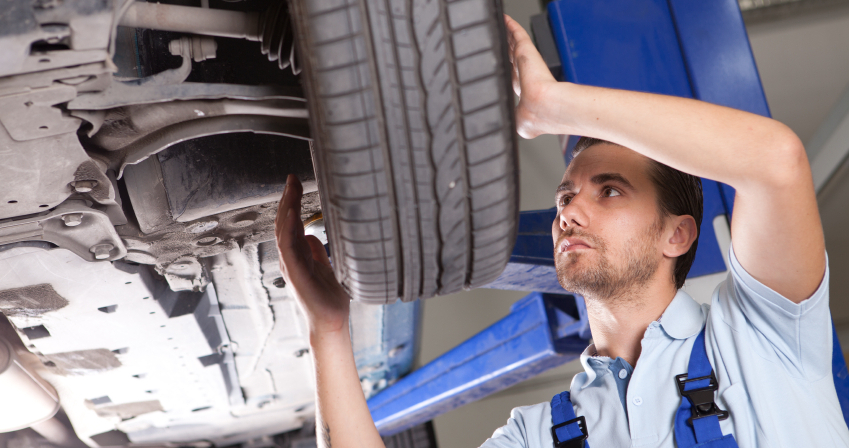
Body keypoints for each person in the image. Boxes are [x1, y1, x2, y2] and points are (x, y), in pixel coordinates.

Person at [273, 14, 849, 448]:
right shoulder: (540, 433)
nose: (569, 211)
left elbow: (776, 161)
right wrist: (326, 331)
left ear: (678, 234)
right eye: (565, 197)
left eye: (610, 191)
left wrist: (556, 107)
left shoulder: (765, 334)